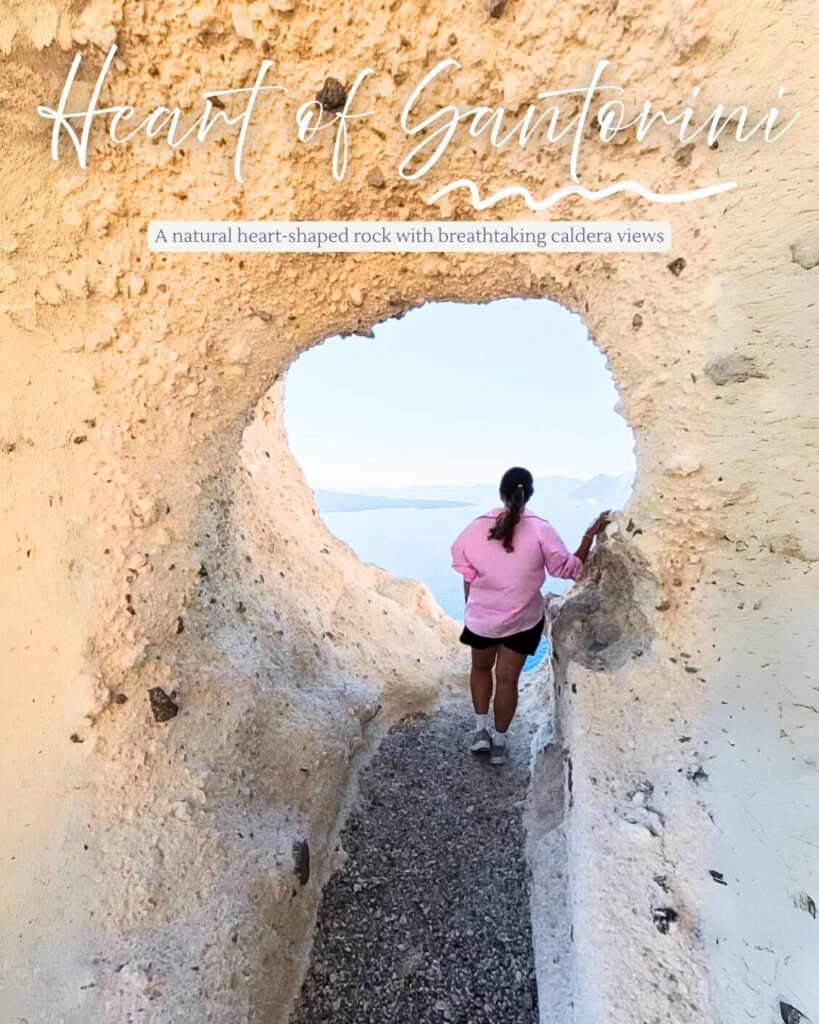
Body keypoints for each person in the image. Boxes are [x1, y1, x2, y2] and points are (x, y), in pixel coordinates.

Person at [450, 466, 610, 765]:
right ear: (529, 494)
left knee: (480, 669)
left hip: (481, 619)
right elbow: (568, 569)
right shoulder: (540, 529)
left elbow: (465, 571)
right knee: (507, 679)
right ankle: (499, 745)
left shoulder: (475, 528)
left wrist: (472, 608)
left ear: (501, 493)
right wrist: (589, 536)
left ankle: (480, 732)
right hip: (522, 621)